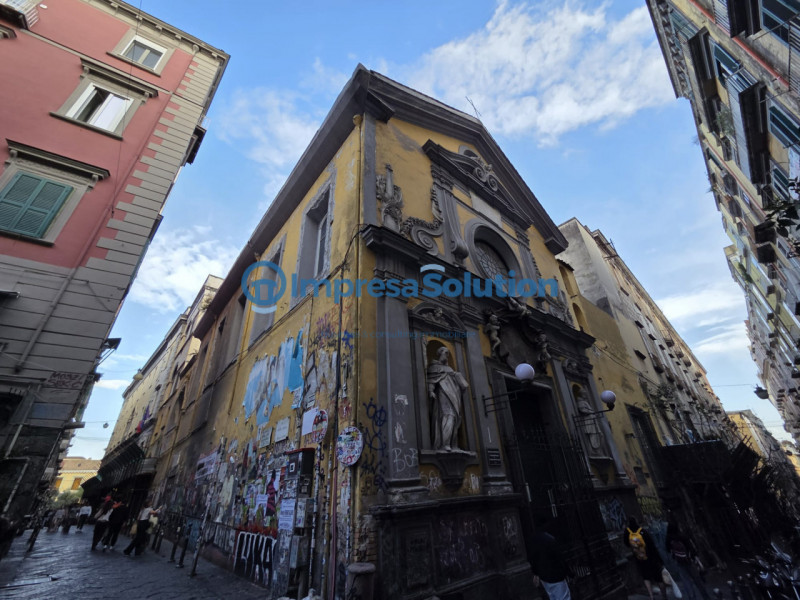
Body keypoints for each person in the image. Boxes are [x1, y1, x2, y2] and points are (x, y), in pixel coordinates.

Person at [426, 346, 469, 451]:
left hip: (454, 396)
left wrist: (457, 377)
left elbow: (461, 386)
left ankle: (453, 444)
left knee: (454, 418)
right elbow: (432, 380)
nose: (447, 355)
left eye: (448, 353)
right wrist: (431, 391)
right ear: (440, 353)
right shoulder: (434, 367)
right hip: (443, 394)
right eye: (445, 353)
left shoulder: (450, 369)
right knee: (447, 416)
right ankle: (444, 444)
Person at [666, 518, 709, 600]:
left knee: (686, 581)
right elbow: (691, 548)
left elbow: (668, 550)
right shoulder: (682, 536)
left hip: (678, 562)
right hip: (689, 560)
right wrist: (695, 557)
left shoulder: (668, 538)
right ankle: (706, 596)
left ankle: (692, 597)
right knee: (697, 580)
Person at [530, 516, 572, 600]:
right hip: (556, 575)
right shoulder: (550, 539)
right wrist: (569, 572)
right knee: (563, 597)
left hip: (544, 576)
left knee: (552, 596)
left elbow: (534, 558)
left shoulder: (534, 540)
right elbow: (559, 558)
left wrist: (536, 573)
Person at [624, 517, 664, 600]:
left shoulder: (627, 532)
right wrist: (658, 558)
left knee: (646, 576)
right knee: (658, 577)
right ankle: (664, 596)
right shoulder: (642, 531)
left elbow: (627, 544)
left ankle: (651, 596)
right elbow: (651, 544)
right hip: (650, 557)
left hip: (639, 557)